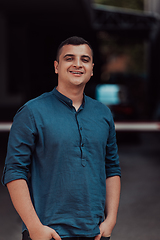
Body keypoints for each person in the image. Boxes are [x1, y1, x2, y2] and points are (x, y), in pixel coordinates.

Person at [2, 36, 121, 240]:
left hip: (95, 233)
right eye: (69, 58)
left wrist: (110, 221)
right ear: (57, 66)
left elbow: (112, 168)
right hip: (46, 232)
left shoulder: (103, 114)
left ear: (92, 69)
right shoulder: (32, 112)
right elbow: (14, 171)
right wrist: (34, 226)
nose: (77, 64)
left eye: (84, 59)